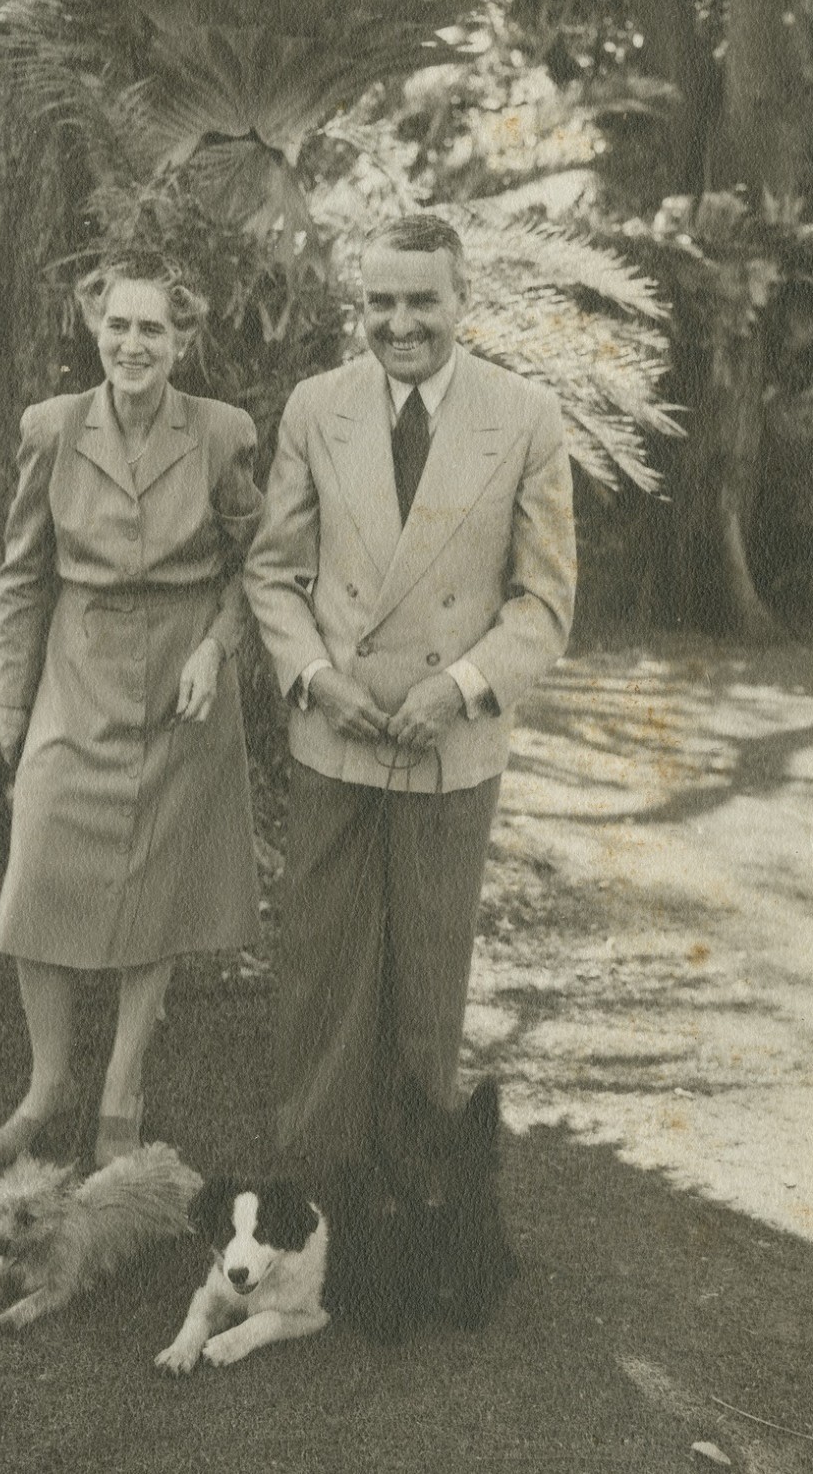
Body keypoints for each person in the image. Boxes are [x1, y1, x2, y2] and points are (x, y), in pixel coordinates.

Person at [244, 214, 576, 1173]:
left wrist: (462, 688)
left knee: (429, 982)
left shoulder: (525, 418)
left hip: (450, 744)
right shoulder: (317, 407)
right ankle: (312, 1188)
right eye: (380, 302)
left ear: (462, 301)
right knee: (319, 974)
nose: (400, 324)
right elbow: (273, 572)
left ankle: (412, 1205)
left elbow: (545, 602)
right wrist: (316, 677)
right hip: (337, 733)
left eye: (422, 300)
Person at [0, 256, 263, 1170]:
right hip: (80, 667)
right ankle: (45, 1084)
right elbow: (22, 572)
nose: (134, 344)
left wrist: (218, 650)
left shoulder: (222, 434)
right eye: (119, 327)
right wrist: (11, 701)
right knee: (39, 870)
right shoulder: (54, 429)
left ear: (182, 342)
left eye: (154, 330)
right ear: (94, 332)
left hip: (186, 680)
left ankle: (122, 1087)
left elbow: (259, 567)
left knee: (162, 890)